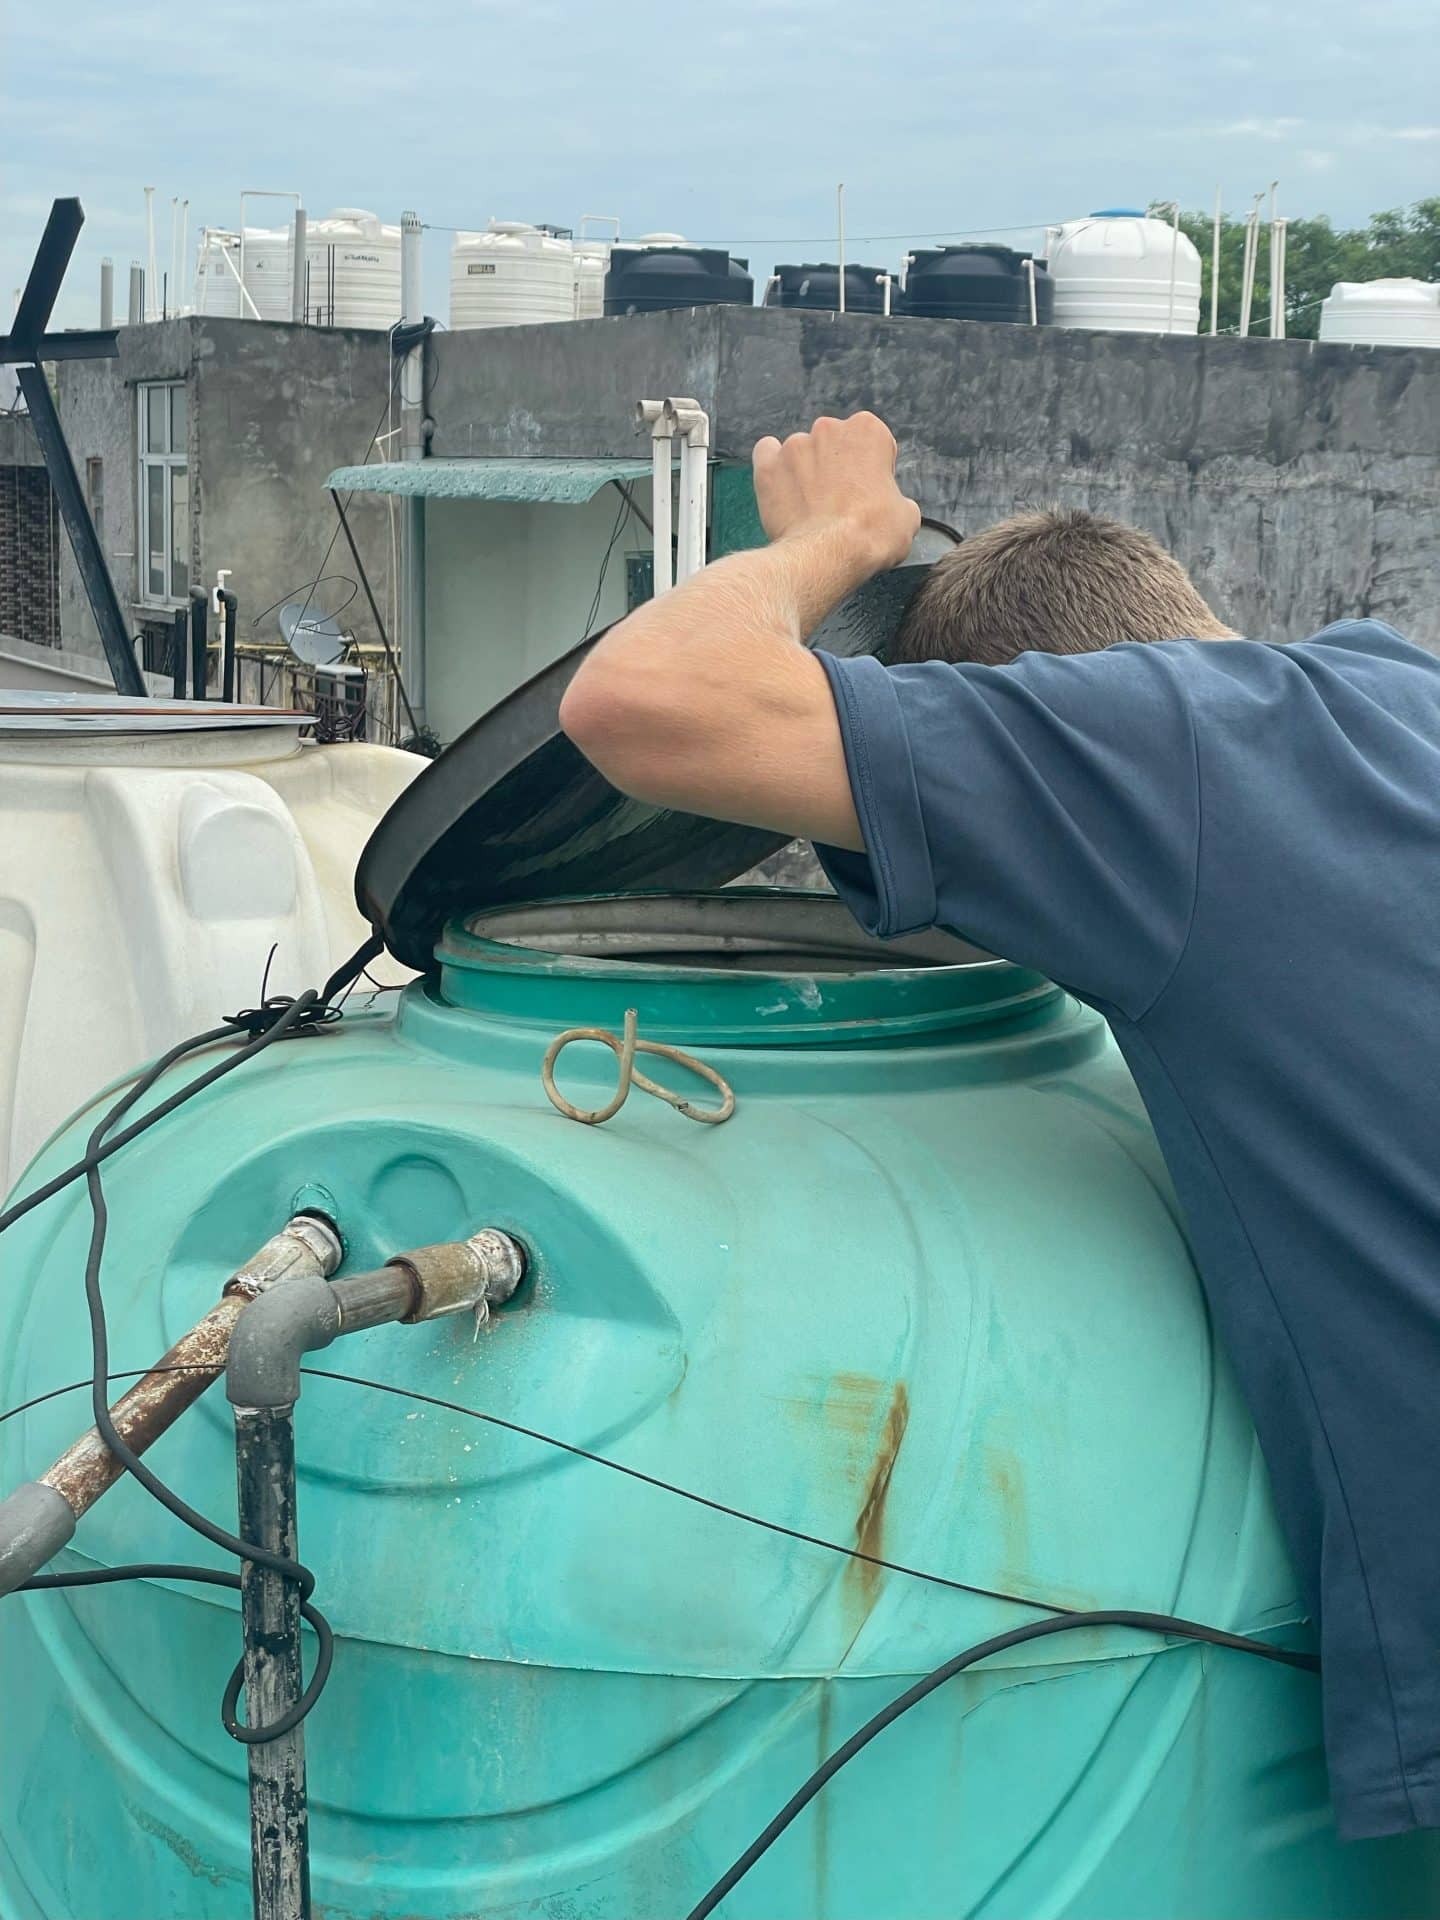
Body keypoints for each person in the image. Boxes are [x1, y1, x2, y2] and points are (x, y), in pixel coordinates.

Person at [558, 411, 1440, 1843]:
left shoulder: (1154, 752)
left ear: (1029, 711)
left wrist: (831, 546)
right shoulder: (1395, 693)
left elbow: (644, 702)